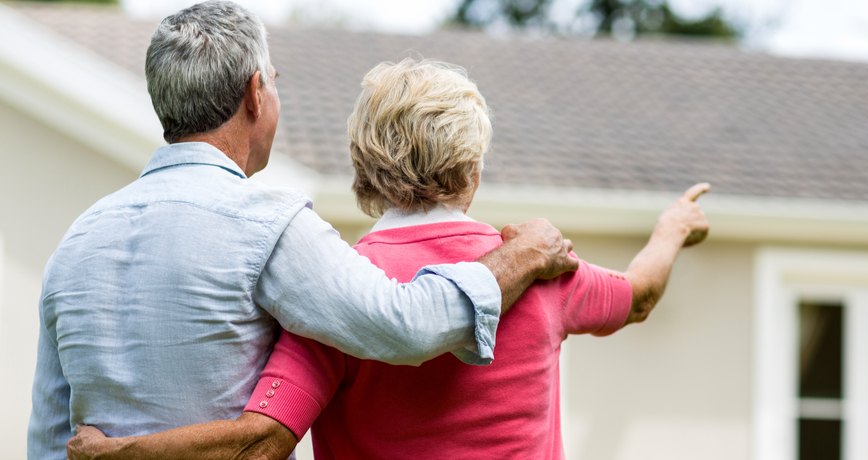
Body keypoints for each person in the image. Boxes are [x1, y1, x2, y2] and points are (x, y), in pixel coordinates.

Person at [67, 59, 710, 459]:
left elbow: (261, 439)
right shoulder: (541, 269)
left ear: (364, 164)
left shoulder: (337, 293)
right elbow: (641, 294)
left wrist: (116, 452)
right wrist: (673, 226)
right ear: (473, 162)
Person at [29, 3, 579, 459]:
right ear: (255, 94)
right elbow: (408, 327)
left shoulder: (77, 240)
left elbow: (52, 439)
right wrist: (522, 256)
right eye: (275, 82)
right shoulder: (268, 226)